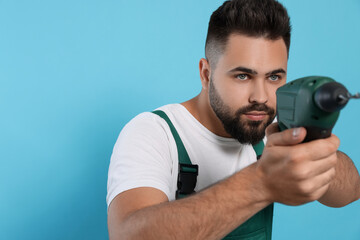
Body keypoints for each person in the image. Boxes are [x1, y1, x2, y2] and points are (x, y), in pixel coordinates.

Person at [106, 0, 360, 239]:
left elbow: (350, 192)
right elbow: (129, 234)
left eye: (273, 77)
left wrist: (317, 149)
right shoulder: (154, 132)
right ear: (206, 74)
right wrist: (261, 183)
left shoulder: (272, 129)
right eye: (242, 76)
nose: (260, 97)